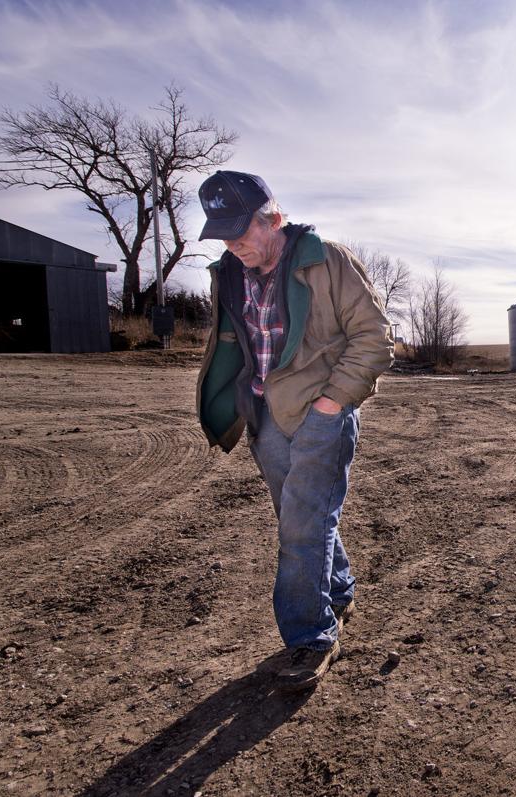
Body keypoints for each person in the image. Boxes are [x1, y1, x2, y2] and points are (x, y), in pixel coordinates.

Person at [195, 170, 393, 691]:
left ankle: (310, 638)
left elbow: (374, 338)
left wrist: (331, 405)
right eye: (223, 235)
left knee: (302, 528)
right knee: (302, 518)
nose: (233, 245)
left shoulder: (324, 260)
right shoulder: (229, 274)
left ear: (274, 219)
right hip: (265, 419)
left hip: (319, 414)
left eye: (241, 231)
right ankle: (341, 591)